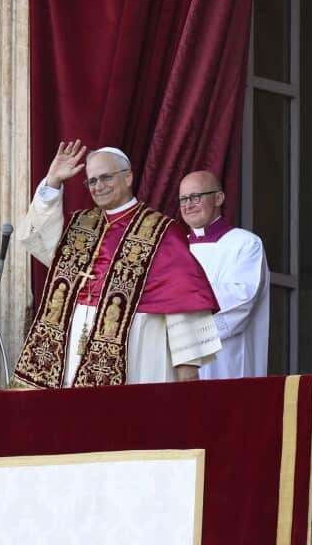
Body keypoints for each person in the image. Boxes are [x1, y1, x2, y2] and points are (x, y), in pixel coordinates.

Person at [12, 140, 220, 388]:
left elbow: (183, 299)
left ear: (128, 177)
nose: (98, 186)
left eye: (106, 177)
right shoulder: (80, 225)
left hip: (136, 352)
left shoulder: (161, 230)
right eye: (92, 181)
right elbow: (35, 237)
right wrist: (53, 182)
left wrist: (187, 367)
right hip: (70, 354)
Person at [178, 170, 269, 379]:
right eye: (183, 199)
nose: (188, 205)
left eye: (195, 197)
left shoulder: (245, 243)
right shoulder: (175, 249)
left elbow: (241, 298)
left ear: (218, 198)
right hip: (179, 360)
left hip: (227, 361)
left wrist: (181, 300)